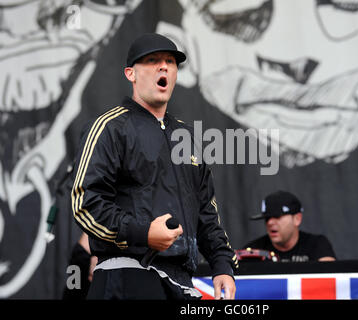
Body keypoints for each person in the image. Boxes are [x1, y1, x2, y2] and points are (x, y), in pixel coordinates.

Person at [70, 33, 237, 300]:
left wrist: (222, 266)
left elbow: (206, 211)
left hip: (181, 280)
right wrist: (143, 233)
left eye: (170, 62)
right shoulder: (109, 127)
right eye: (153, 61)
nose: (164, 67)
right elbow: (85, 203)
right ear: (130, 74)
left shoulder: (187, 137)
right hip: (126, 274)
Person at [244, 190, 336, 262]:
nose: (270, 222)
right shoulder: (253, 251)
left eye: (277, 216)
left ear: (297, 219)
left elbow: (329, 280)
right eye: (267, 218)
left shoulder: (317, 245)